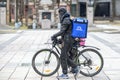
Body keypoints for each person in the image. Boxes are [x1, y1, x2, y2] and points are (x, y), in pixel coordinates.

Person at [51, 7, 80, 79]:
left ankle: (67, 73)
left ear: (61, 13)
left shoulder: (66, 20)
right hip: (67, 39)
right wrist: (60, 38)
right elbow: (65, 32)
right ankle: (74, 68)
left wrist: (54, 35)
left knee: (63, 57)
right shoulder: (66, 19)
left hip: (68, 40)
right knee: (64, 56)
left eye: (59, 13)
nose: (59, 15)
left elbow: (62, 31)